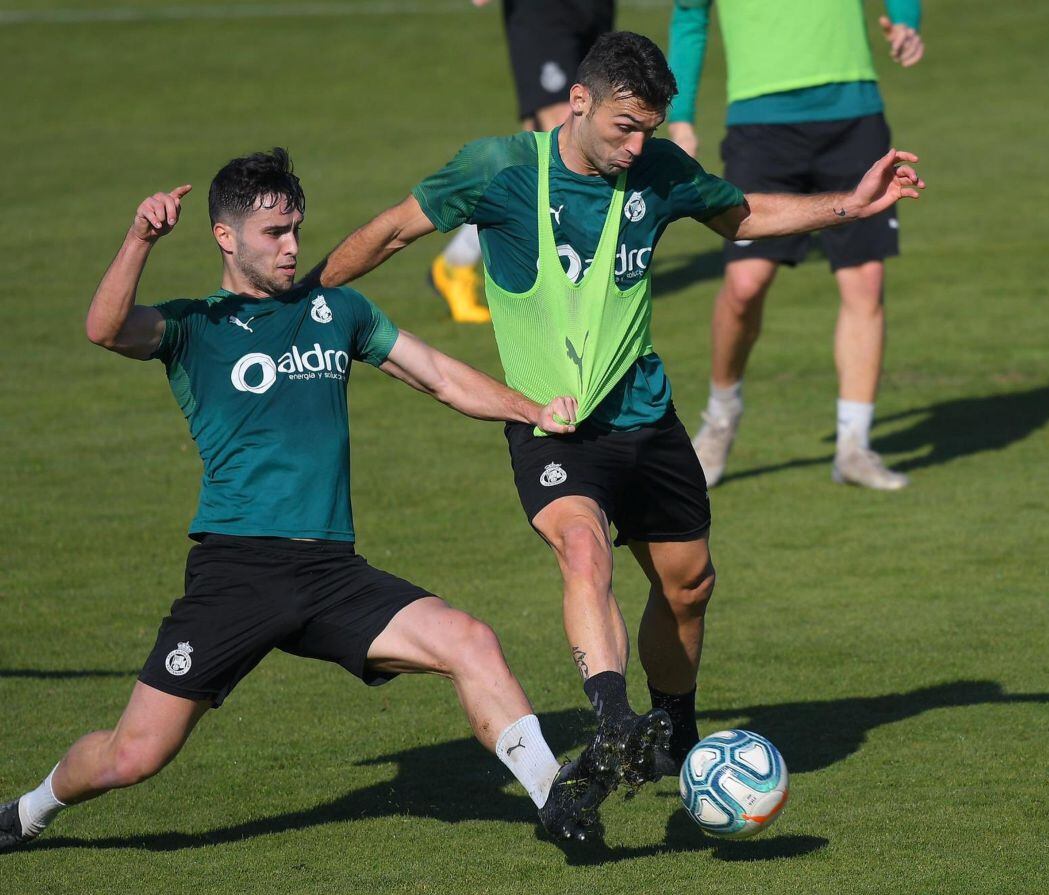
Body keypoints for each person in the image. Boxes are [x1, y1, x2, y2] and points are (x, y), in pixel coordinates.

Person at [310, 31, 923, 800]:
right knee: (582, 549)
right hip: (554, 424)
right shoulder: (498, 170)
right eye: (624, 126)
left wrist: (848, 205)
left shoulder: (658, 172)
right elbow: (393, 229)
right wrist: (303, 301)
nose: (637, 145)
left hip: (646, 414)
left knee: (689, 584)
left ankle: (672, 731)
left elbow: (737, 213)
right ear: (579, 103)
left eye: (649, 130)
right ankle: (613, 721)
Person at [0, 149, 606, 852]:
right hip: (237, 573)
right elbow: (105, 328)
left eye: (295, 229)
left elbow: (439, 375)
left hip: (330, 574)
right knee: (134, 755)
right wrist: (139, 239)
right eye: (273, 234)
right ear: (225, 237)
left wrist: (534, 409)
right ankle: (28, 809)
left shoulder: (336, 310)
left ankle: (553, 800)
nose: (293, 247)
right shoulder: (195, 327)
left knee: (469, 639)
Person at [667, 0, 925, 490]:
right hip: (760, 124)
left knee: (865, 281)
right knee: (744, 285)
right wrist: (681, 116)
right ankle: (720, 420)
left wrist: (906, 20)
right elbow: (690, 17)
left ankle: (854, 445)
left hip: (854, 112)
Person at [431, 0, 616, 324]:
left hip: (593, 9)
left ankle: (456, 264)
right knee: (569, 131)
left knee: (534, 156)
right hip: (543, 12)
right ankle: (572, 278)